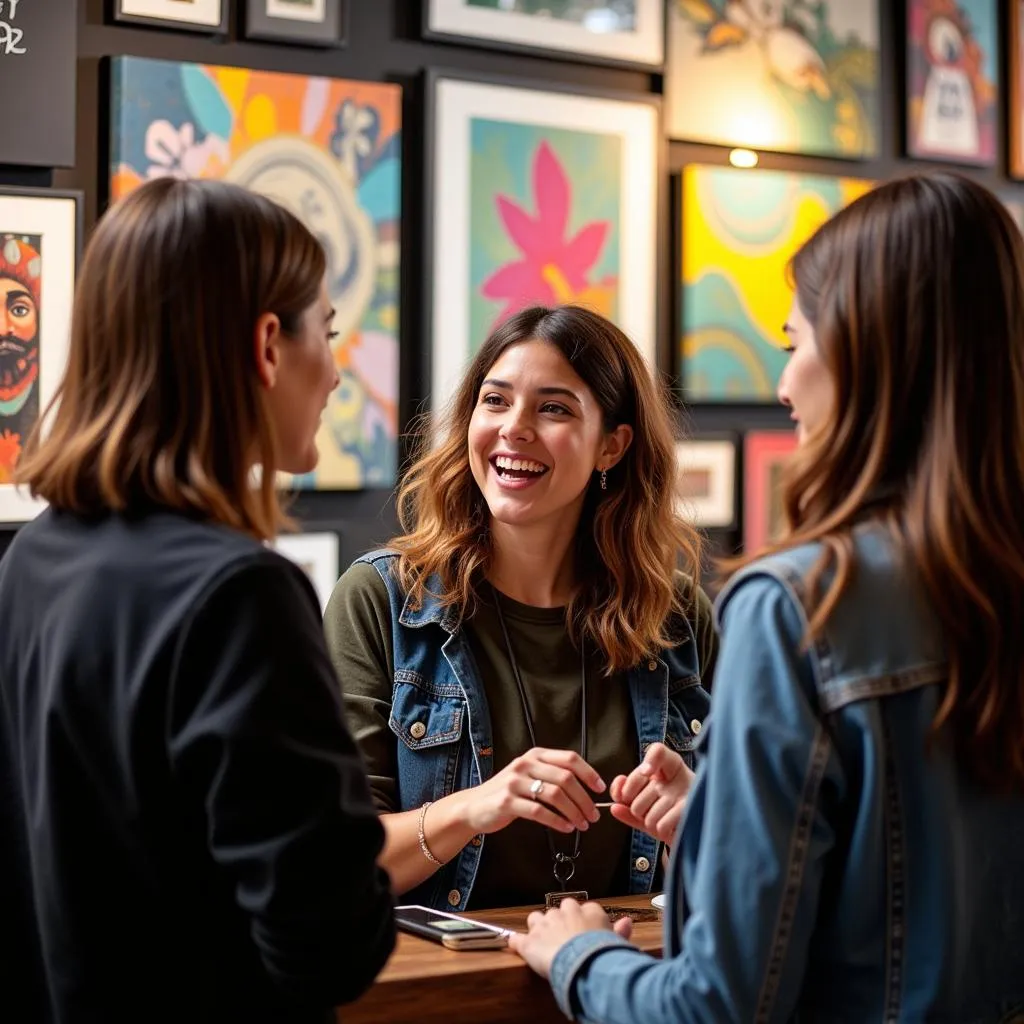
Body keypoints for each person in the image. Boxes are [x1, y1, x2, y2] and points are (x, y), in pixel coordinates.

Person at [510, 172, 1024, 1022]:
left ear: (864, 350)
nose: (784, 386)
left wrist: (579, 955)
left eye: (794, 342)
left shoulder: (797, 606)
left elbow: (715, 1008)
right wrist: (720, 822)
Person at [0, 178, 395, 1024]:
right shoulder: (240, 595)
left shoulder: (33, 558)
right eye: (325, 331)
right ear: (265, 345)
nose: (333, 369)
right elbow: (331, 940)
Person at [324, 304, 717, 912]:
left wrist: (701, 820)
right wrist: (476, 807)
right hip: (444, 992)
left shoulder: (678, 616)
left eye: (554, 408)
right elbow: (337, 864)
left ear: (611, 446)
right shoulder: (380, 600)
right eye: (496, 400)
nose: (514, 428)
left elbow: (755, 861)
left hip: (621, 981)